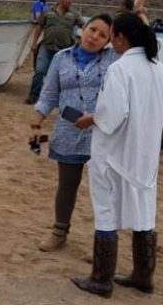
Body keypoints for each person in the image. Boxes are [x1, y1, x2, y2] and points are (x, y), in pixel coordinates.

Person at [71, 12, 163, 298]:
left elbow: (112, 117)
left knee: (106, 213)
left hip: (114, 155)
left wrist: (91, 118)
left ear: (121, 37)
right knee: (144, 214)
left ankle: (101, 278)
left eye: (112, 36)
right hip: (145, 157)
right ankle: (143, 275)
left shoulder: (121, 69)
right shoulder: (159, 68)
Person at [31, 14, 117, 252]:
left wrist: (140, 13)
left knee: (104, 190)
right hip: (68, 132)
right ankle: (59, 233)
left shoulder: (114, 60)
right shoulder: (61, 58)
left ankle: (103, 243)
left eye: (102, 35)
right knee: (67, 185)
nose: (95, 37)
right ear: (83, 29)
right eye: (92, 29)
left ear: (109, 40)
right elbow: (49, 94)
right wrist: (36, 123)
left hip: (102, 134)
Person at [26, 0, 83, 104]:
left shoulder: (75, 14)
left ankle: (58, 99)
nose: (71, 2)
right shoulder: (47, 12)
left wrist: (82, 42)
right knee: (40, 71)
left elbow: (85, 27)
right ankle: (33, 95)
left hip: (65, 50)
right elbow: (39, 27)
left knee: (61, 75)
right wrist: (34, 43)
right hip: (46, 47)